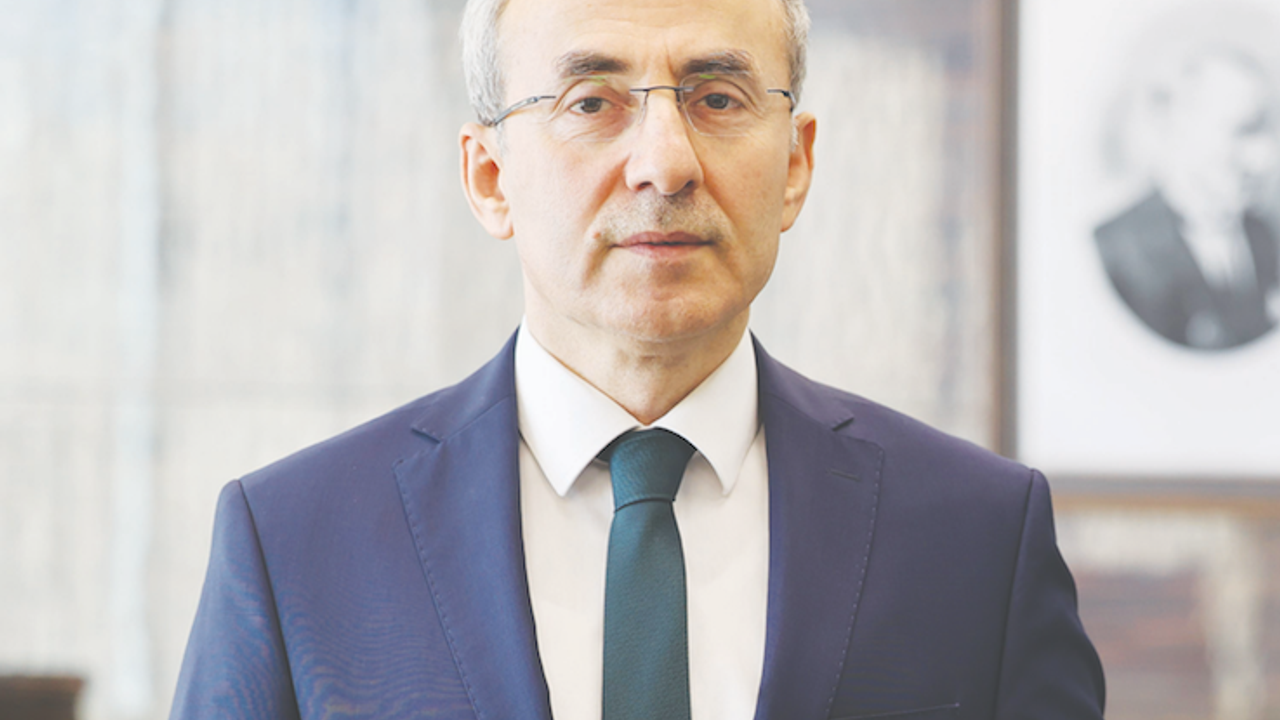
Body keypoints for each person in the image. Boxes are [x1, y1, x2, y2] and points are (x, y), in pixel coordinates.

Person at [171, 0, 1105, 717]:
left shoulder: (977, 539)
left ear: (795, 165)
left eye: (718, 98)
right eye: (591, 102)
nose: (666, 162)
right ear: (490, 177)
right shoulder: (294, 543)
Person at [1096, 49, 1280, 350]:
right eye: (1244, 130)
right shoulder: (1113, 251)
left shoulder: (1265, 236)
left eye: (1268, 131)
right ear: (1181, 127)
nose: (1267, 158)